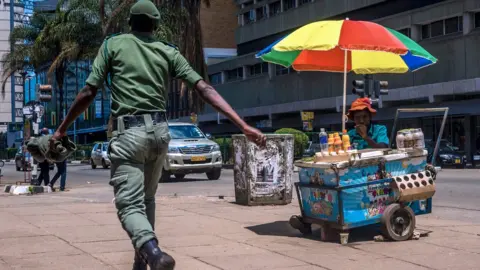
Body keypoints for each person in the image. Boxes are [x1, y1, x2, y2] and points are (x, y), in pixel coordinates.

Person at [49, 1, 266, 270]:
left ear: (130, 23)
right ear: (155, 25)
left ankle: (153, 254)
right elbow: (204, 88)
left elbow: (88, 92)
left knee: (129, 205)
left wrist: (62, 128)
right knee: (147, 200)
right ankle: (141, 263)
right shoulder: (167, 52)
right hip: (160, 135)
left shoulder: (113, 45)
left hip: (129, 135)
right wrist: (242, 124)